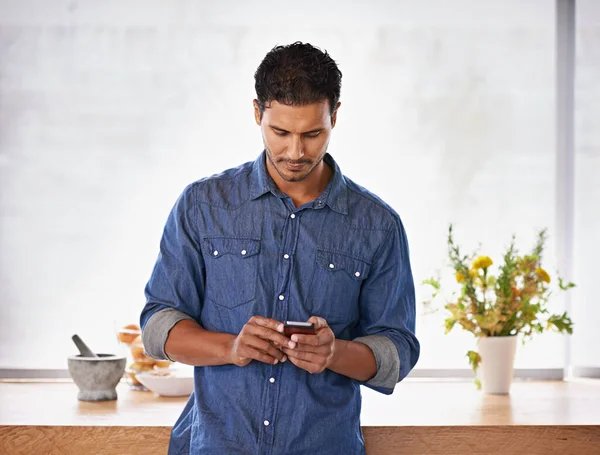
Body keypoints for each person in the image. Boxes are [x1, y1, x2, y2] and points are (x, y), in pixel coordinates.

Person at [140, 41, 420, 455]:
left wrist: (334, 352)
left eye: (312, 133)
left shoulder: (377, 225)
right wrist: (232, 348)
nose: (295, 152)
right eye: (281, 132)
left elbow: (397, 351)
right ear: (258, 113)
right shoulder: (203, 205)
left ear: (335, 117)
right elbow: (158, 327)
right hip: (217, 445)